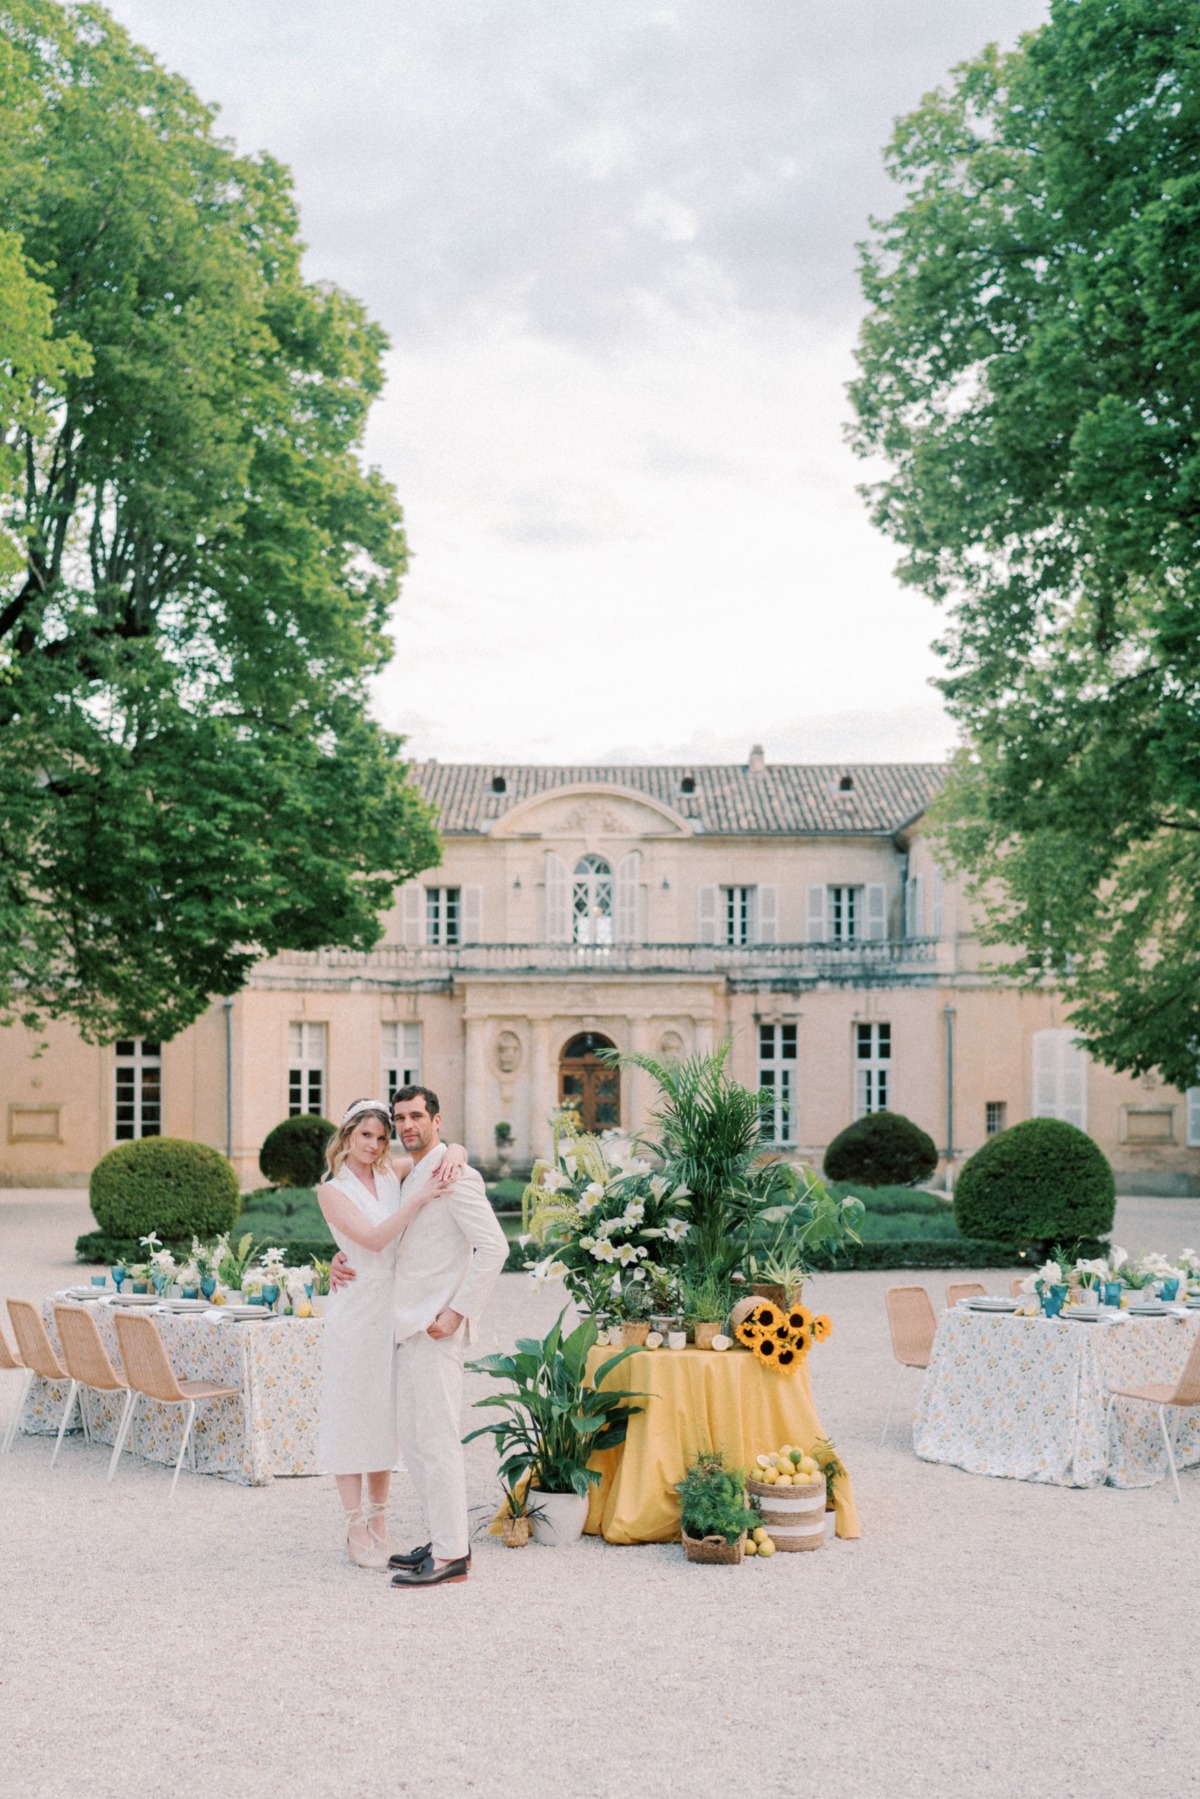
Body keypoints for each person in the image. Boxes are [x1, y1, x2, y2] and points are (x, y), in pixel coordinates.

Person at [330, 1083, 508, 1588]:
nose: (407, 1126)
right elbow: (383, 1240)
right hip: (403, 1325)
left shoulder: (456, 1175)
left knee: (438, 1441)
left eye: (415, 1117)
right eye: (400, 1118)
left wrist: (456, 1313)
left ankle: (453, 1554)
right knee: (416, 1442)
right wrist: (339, 1258)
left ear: (436, 1119)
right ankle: (441, 1537)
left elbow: (494, 1249)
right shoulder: (409, 1173)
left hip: (435, 1329)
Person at [315, 1098, 467, 1571]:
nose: (376, 1144)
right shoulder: (331, 1189)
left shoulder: (390, 1173)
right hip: (356, 1309)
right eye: (366, 1136)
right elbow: (375, 1239)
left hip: (393, 1309)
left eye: (382, 1137)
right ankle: (354, 1525)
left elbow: (440, 1152)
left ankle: (381, 1521)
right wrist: (420, 1200)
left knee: (386, 1414)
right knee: (350, 1410)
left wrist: (457, 1150)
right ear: (347, 1137)